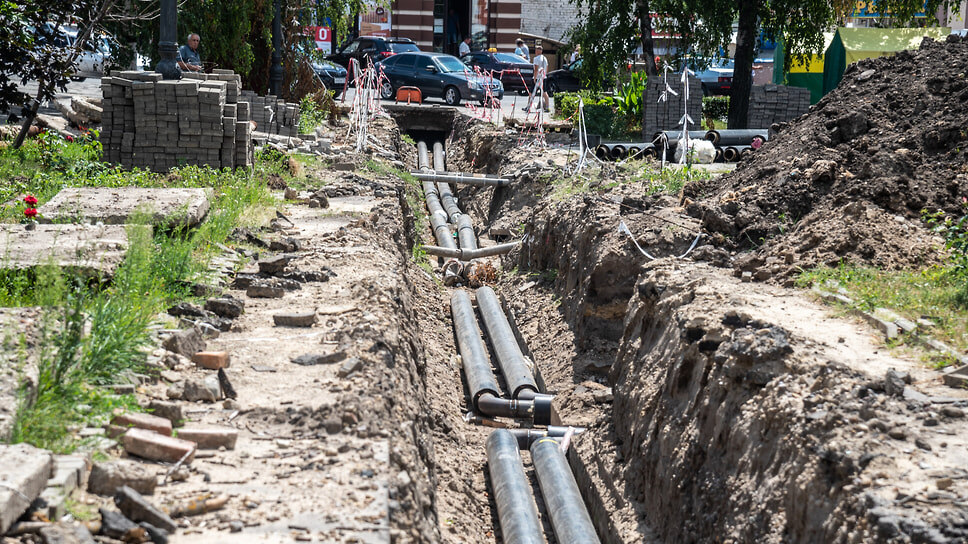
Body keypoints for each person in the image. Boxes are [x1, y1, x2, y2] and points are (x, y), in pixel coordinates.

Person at [527, 44, 549, 112]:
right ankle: (547, 107)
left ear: (539, 51)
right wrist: (545, 74)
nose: (535, 52)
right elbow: (547, 67)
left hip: (537, 77)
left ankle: (528, 107)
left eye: (536, 50)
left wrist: (535, 78)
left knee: (531, 92)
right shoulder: (545, 58)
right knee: (544, 92)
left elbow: (536, 69)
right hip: (543, 77)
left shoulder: (536, 59)